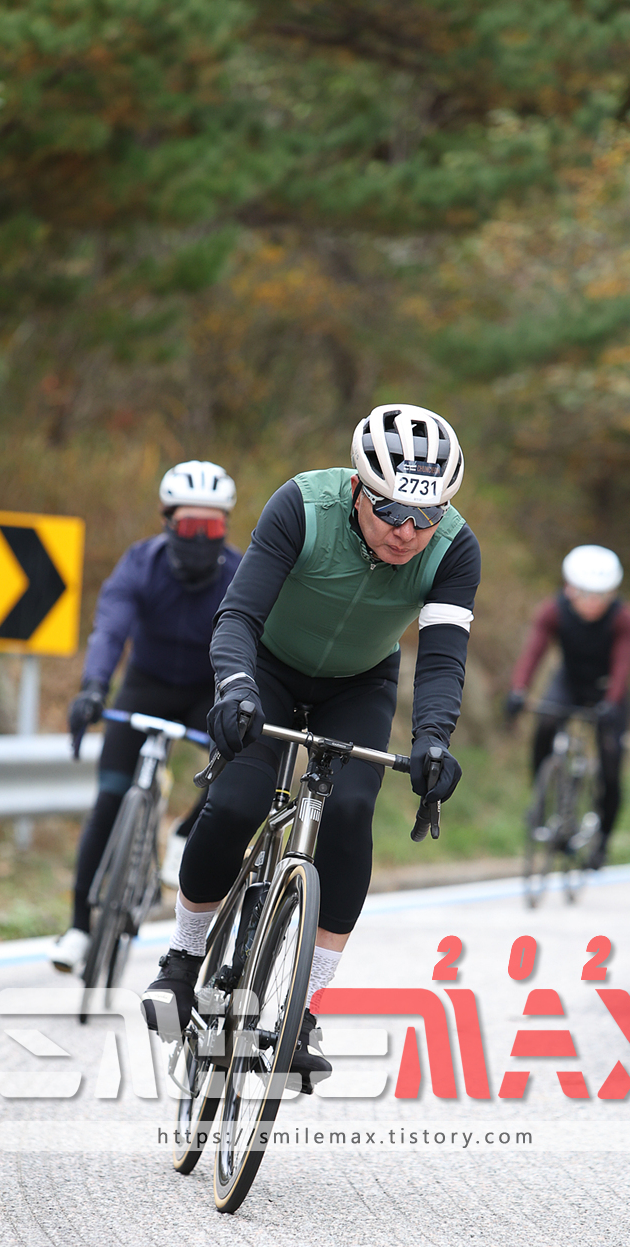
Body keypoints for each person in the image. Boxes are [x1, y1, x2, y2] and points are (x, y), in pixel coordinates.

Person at [139, 404, 481, 1089]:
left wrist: (433, 739)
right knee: (236, 803)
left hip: (361, 682)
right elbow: (239, 613)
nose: (408, 532)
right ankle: (182, 959)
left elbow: (442, 659)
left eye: (427, 516)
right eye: (392, 511)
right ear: (357, 488)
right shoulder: (302, 506)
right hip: (266, 667)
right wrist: (235, 687)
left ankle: (303, 1011)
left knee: (351, 812)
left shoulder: (455, 549)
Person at [48, 461, 243, 975]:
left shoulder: (241, 572)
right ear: (167, 523)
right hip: (145, 686)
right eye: (189, 525)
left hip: (208, 689)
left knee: (238, 769)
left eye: (212, 528)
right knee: (110, 796)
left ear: (225, 528)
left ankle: (183, 833)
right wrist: (93, 686)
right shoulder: (141, 563)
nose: (199, 538)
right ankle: (79, 928)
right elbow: (111, 628)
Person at [504, 544, 630, 871]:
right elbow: (534, 652)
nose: (592, 603)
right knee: (546, 724)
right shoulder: (553, 611)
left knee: (610, 765)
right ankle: (541, 798)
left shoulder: (623, 619)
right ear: (569, 589)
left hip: (608, 688)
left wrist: (611, 704)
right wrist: (518, 690)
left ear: (612, 594)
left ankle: (602, 841)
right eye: (584, 595)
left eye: (601, 596)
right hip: (569, 682)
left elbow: (623, 666)